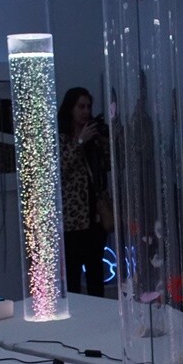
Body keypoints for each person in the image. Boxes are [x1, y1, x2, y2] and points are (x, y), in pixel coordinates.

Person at [58, 87, 110, 297]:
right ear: (70, 108)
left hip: (95, 217)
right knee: (72, 275)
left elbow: (109, 165)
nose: (86, 111)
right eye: (81, 107)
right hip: (72, 220)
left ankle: (99, 312)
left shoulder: (94, 137)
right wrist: (80, 142)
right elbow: (59, 169)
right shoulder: (60, 137)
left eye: (88, 107)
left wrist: (103, 140)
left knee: (95, 273)